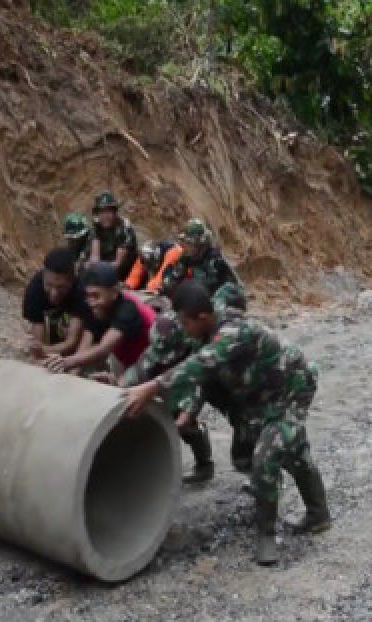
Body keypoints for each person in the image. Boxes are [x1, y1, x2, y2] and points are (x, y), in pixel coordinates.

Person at [141, 281, 331, 565]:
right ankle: (317, 513)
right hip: (258, 395)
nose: (183, 330)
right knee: (246, 457)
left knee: (265, 459)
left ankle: (266, 536)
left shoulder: (234, 332)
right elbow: (204, 377)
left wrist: (151, 387)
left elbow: (199, 365)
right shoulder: (203, 328)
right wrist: (189, 411)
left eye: (185, 323)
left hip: (291, 388)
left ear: (201, 318)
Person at [121, 282, 250, 483]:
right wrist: (116, 387)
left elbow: (199, 371)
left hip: (240, 388)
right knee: (178, 404)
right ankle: (205, 464)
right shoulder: (175, 330)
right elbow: (143, 368)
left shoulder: (213, 332)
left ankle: (268, 478)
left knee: (245, 453)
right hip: (203, 375)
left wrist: (185, 407)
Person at [44, 262, 155, 375]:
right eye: (88, 296)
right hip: (126, 357)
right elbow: (83, 349)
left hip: (153, 360)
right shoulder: (95, 308)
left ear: (114, 292)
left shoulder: (128, 309)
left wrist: (67, 362)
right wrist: (71, 374)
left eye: (96, 296)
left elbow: (104, 348)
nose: (91, 302)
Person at [22, 248, 89, 360]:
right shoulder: (34, 290)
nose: (54, 293)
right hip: (51, 323)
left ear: (72, 280)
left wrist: (44, 350)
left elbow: (71, 343)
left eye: (60, 287)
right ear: (43, 276)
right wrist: (39, 350)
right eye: (49, 285)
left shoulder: (81, 290)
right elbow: (38, 341)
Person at [162, 219, 239, 296]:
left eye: (189, 243)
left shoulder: (216, 260)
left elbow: (227, 288)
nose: (185, 247)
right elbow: (172, 279)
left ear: (199, 244)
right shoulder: (186, 258)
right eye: (185, 242)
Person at [89, 191, 139, 281]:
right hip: (105, 267)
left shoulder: (124, 228)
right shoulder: (97, 227)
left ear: (115, 212)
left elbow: (118, 263)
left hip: (125, 271)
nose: (105, 216)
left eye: (109, 211)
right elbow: (94, 257)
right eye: (102, 212)